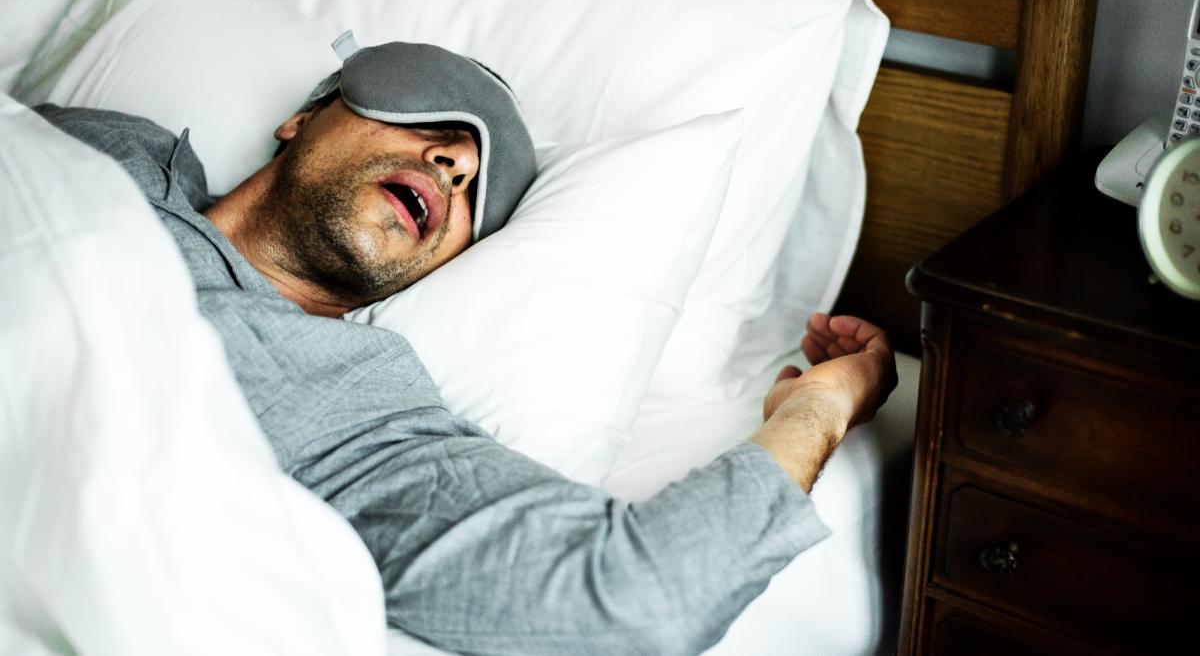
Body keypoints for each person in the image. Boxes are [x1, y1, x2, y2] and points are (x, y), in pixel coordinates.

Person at [36, 37, 896, 655]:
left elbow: (638, 599)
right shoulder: (104, 147)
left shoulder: (354, 406)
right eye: (431, 111)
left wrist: (818, 408)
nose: (454, 162)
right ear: (301, 120)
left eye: (484, 190)